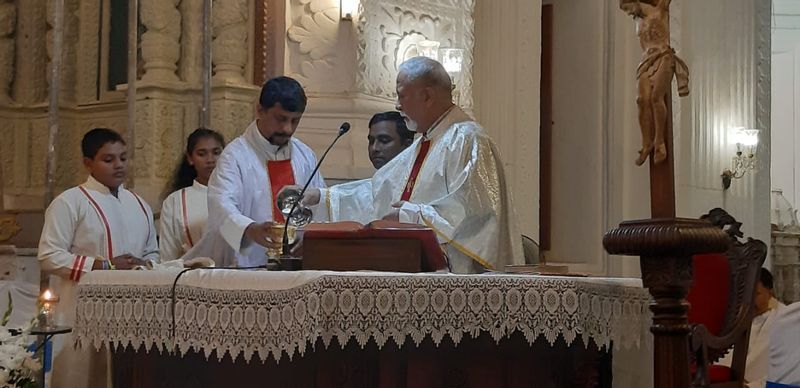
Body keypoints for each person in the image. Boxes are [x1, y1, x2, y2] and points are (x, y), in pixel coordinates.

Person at [298, 56, 523, 273]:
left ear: (426, 96)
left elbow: (476, 214)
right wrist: (322, 197)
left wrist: (411, 216)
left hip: (456, 281)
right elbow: (378, 191)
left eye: (401, 96)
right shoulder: (426, 142)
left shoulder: (468, 140)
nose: (397, 105)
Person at [38, 127, 159, 388]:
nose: (119, 165)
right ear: (88, 163)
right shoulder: (69, 202)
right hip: (80, 311)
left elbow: (153, 253)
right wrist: (104, 265)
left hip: (133, 312)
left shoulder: (140, 204)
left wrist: (145, 264)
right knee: (84, 376)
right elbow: (48, 256)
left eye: (123, 158)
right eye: (108, 159)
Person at [181, 76, 325, 267]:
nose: (288, 129)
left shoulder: (305, 155)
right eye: (281, 119)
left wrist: (307, 232)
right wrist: (249, 229)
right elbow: (221, 205)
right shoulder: (235, 157)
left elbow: (321, 205)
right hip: (249, 269)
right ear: (260, 110)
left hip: (298, 266)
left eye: (295, 121)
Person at [620, 0, 689, 166]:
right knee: (641, 100)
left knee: (656, 98)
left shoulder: (659, 9)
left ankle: (659, 142)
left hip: (663, 56)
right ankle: (646, 143)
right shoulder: (637, 20)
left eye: (628, 8)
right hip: (646, 61)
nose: (628, 13)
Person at [159, 128, 225, 262]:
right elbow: (167, 257)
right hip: (191, 275)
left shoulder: (240, 194)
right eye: (202, 154)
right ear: (190, 159)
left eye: (216, 153)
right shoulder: (175, 201)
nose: (210, 160)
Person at [719, 267, 784, 388]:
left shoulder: (783, 321)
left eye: (756, 294)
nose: (749, 301)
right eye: (745, 295)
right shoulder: (733, 319)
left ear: (770, 293)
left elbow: (784, 368)